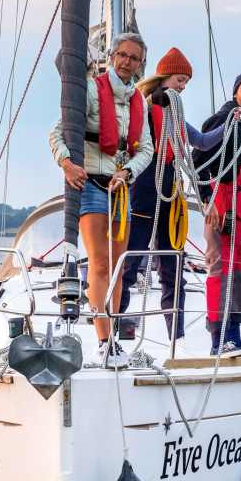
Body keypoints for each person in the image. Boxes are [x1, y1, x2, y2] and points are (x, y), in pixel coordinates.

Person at [49, 32, 155, 367]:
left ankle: (113, 335)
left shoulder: (139, 101)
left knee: (119, 268)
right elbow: (56, 132)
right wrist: (67, 163)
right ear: (111, 56)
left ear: (140, 65)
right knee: (100, 263)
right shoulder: (92, 91)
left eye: (133, 58)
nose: (126, 62)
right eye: (122, 55)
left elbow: (148, 149)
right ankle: (104, 340)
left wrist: (129, 173)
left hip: (121, 189)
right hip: (92, 186)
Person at [118, 47, 224, 344]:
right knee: (131, 260)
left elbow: (201, 141)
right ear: (165, 76)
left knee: (172, 265)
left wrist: (230, 126)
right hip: (144, 188)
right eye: (180, 79)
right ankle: (114, 330)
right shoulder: (144, 105)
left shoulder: (176, 113)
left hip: (170, 191)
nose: (183, 86)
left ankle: (176, 338)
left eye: (186, 82)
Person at [194, 71, 241, 357]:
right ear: (236, 91)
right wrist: (206, 201)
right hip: (223, 204)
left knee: (239, 273)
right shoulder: (222, 120)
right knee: (220, 270)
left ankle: (235, 335)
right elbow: (198, 161)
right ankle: (218, 339)